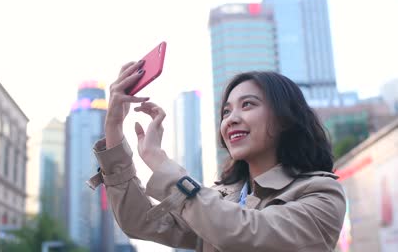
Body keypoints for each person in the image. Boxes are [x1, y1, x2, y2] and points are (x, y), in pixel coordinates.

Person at [87, 60, 346, 252]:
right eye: (226, 111)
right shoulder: (225, 196)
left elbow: (243, 233)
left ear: (285, 119)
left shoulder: (321, 193)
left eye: (248, 104)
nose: (231, 119)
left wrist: (160, 162)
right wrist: (114, 130)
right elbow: (140, 222)